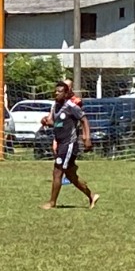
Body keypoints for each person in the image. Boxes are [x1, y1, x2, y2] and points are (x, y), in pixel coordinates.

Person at [41, 80, 98, 209]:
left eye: (60, 91)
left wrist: (86, 137)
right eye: (55, 91)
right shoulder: (56, 106)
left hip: (69, 144)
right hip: (61, 143)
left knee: (57, 172)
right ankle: (92, 196)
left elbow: (84, 119)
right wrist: (45, 121)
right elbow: (54, 122)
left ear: (66, 93)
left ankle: (52, 202)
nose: (56, 93)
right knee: (71, 176)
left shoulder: (71, 106)